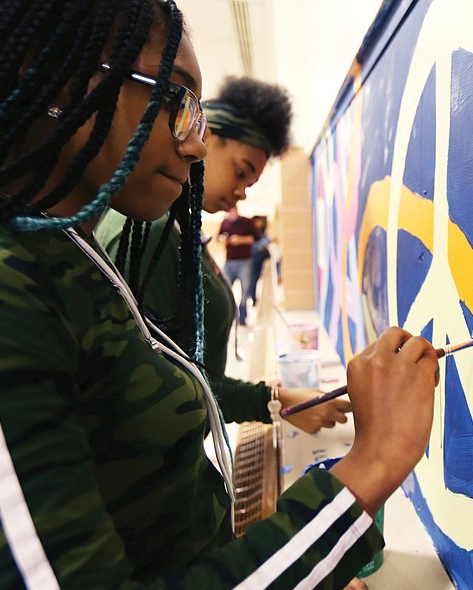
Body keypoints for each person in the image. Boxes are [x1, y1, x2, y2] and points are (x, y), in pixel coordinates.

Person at [0, 2, 439, 590]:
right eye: (178, 101)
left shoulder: (66, 251)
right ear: (58, 81)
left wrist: (293, 549)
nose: (193, 141)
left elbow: (161, 424)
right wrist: (371, 465)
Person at [96, 74, 351, 435]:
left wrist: (278, 400)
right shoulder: (146, 235)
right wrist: (273, 402)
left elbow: (186, 377)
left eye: (250, 184)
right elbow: (153, 391)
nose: (242, 193)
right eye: (241, 172)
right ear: (206, 139)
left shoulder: (177, 229)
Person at [217, 204, 258, 325]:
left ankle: (243, 316)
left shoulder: (247, 222)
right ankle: (228, 315)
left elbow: (254, 238)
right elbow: (218, 237)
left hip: (244, 262)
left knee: (245, 290)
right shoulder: (224, 223)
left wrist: (240, 240)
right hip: (229, 261)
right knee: (224, 288)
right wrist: (223, 239)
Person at [249, 214, 272, 306]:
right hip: (256, 258)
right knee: (254, 278)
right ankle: (253, 298)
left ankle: (254, 297)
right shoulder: (253, 233)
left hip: (261, 258)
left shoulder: (261, 232)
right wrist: (267, 241)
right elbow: (256, 247)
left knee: (256, 278)